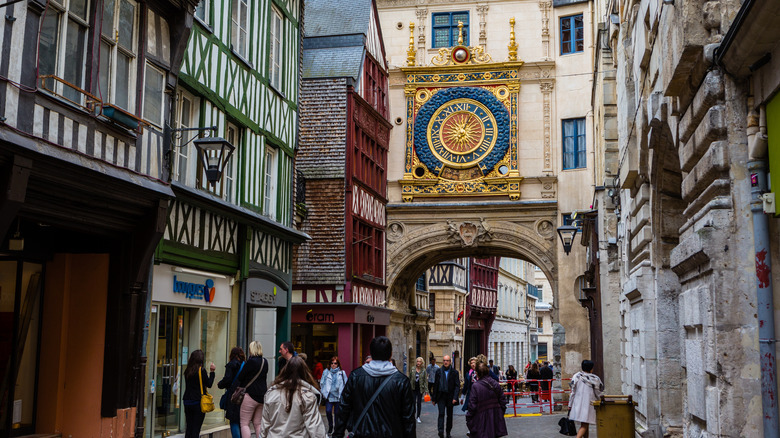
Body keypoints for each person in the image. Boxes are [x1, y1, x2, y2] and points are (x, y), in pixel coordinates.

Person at [334, 336, 415, 438]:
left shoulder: (356, 376)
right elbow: (408, 418)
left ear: (371, 353)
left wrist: (337, 434)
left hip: (361, 433)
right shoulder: (402, 381)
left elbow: (343, 408)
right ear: (390, 354)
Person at [260, 356, 327, 438]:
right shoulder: (307, 396)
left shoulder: (271, 394)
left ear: (285, 371)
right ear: (305, 373)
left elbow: (265, 424)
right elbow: (315, 428)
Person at [466, 363, 508, 438]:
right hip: (495, 417)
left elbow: (472, 405)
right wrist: (500, 413)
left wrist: (469, 419)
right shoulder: (495, 383)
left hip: (481, 418)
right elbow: (502, 400)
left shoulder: (476, 386)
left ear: (477, 373)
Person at [237, 341, 269, 438]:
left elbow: (241, 377)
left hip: (250, 395)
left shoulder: (251, 362)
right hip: (262, 396)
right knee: (258, 423)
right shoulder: (265, 361)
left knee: (244, 423)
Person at [183, 349, 216, 438]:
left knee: (189, 427)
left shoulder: (187, 371)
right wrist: (212, 372)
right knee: (196, 429)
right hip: (198, 402)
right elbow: (209, 384)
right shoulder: (201, 370)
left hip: (187, 401)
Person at [568, 360, 604, 438]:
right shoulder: (595, 379)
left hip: (577, 403)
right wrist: (600, 400)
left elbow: (572, 392)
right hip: (589, 404)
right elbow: (598, 392)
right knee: (584, 424)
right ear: (591, 368)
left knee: (584, 423)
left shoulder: (576, 376)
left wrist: (570, 404)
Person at [217, 347, 246, 438]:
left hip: (233, 396)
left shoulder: (231, 365)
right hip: (243, 395)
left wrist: (220, 384)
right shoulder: (245, 365)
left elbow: (227, 380)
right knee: (242, 420)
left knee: (233, 420)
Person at [432, 355, 461, 438]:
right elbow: (436, 385)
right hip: (441, 396)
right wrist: (434, 398)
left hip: (450, 397)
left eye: (447, 360)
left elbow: (457, 385)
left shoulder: (454, 372)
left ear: (450, 361)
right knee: (441, 414)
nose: (445, 362)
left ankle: (448, 432)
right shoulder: (438, 371)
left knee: (449, 415)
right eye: (444, 360)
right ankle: (440, 431)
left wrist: (455, 397)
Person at [319, 356, 348, 435]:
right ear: (330, 364)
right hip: (329, 396)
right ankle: (330, 425)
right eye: (332, 363)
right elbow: (322, 382)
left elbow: (346, 383)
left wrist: (344, 394)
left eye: (335, 363)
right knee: (328, 411)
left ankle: (336, 428)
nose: (333, 365)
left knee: (337, 413)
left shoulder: (342, 373)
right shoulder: (326, 371)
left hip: (338, 396)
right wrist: (323, 392)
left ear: (338, 364)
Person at [409, 357, 428, 424]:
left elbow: (425, 381)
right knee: (413, 402)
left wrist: (426, 391)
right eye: (417, 361)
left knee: (419, 403)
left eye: (419, 361)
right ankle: (412, 416)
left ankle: (418, 417)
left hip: (420, 388)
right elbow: (410, 378)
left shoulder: (423, 370)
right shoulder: (413, 369)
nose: (418, 363)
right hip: (413, 388)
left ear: (422, 362)